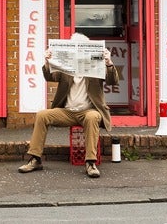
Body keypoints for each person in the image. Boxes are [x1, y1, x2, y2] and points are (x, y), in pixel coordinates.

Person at [18, 33, 119, 178]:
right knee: (42, 115)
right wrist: (47, 61)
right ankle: (35, 159)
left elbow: (112, 81)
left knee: (92, 117)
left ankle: (90, 162)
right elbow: (50, 77)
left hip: (89, 111)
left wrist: (108, 62)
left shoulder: (96, 66)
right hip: (67, 112)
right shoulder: (66, 68)